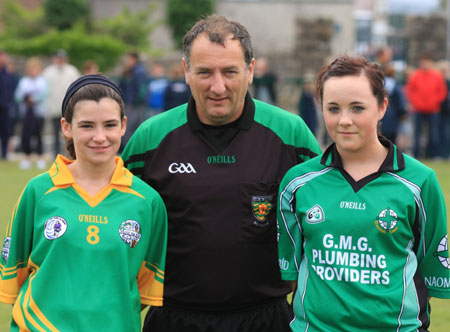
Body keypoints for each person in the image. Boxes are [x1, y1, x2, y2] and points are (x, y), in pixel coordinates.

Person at [122, 14, 321, 332]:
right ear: (186, 72)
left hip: (266, 319)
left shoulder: (291, 135)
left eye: (230, 71)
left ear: (251, 70)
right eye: (204, 72)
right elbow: (121, 231)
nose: (218, 86)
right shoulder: (150, 140)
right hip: (174, 318)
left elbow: (323, 231)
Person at [277, 55, 450, 332]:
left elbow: (428, 273)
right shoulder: (297, 182)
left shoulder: (420, 182)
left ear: (382, 107)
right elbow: (292, 277)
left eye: (357, 108)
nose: (344, 120)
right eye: (333, 108)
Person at [0, 74, 168, 331]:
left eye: (109, 125)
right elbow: (15, 274)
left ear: (123, 126)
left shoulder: (147, 201)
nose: (100, 137)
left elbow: (143, 290)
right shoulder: (38, 191)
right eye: (87, 125)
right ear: (66, 127)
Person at [405, 53, 447, 159]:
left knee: (434, 133)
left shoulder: (437, 76)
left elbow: (442, 92)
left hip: (433, 109)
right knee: (417, 133)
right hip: (419, 109)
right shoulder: (415, 75)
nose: (425, 64)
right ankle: (416, 154)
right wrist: (415, 103)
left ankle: (434, 154)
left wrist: (435, 102)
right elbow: (410, 91)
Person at [42, 49, 81, 157]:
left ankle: (69, 154)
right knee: (55, 133)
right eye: (58, 58)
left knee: (69, 132)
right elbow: (44, 90)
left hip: (68, 108)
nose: (60, 61)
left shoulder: (72, 71)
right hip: (54, 108)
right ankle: (55, 155)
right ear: (55, 59)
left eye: (62, 58)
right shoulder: (48, 72)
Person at [15, 57, 48, 169]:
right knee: (26, 136)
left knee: (38, 135)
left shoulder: (42, 81)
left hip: (38, 112)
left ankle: (40, 157)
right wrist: (26, 99)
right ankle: (27, 157)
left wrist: (35, 99)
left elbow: (44, 94)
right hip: (27, 113)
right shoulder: (24, 81)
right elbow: (18, 96)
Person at [119, 52, 149, 148]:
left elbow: (142, 89)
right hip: (132, 104)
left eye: (129, 59)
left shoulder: (139, 71)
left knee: (130, 126)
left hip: (136, 105)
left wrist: (134, 102)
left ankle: (132, 149)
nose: (127, 62)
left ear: (134, 59)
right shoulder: (132, 71)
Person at [380, 65, 408, 145]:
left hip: (381, 115)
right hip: (393, 115)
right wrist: (403, 113)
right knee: (392, 141)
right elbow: (400, 102)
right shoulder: (395, 85)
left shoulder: (378, 84)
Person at [0, 50, 16, 160]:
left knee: (5, 131)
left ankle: (4, 154)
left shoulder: (7, 73)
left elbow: (10, 90)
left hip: (5, 108)